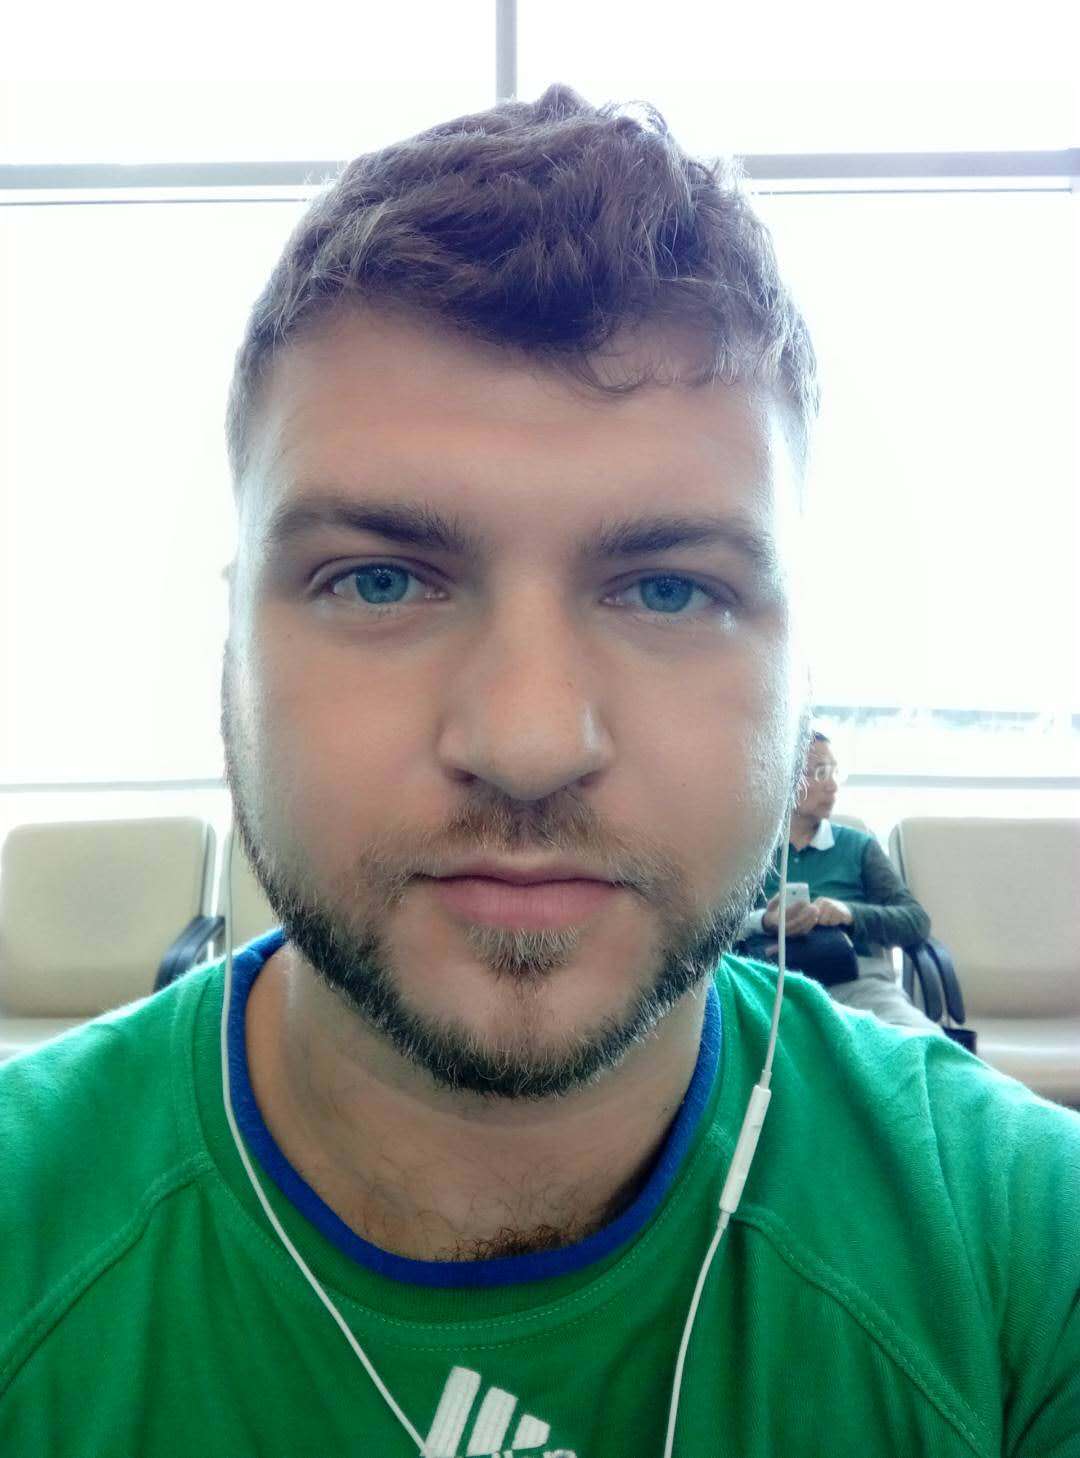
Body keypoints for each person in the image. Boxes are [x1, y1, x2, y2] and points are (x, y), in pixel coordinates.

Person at [1, 85, 1078, 1458]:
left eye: (671, 590)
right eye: (380, 579)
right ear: (231, 646)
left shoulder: (1024, 1262)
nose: (526, 743)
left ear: (802, 669)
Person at [738, 731, 945, 1035]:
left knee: (921, 1044)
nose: (833, 785)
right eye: (821, 772)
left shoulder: (858, 847)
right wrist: (765, 922)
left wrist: (849, 914)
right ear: (784, 776)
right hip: (770, 984)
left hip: (857, 984)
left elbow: (915, 921)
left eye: (835, 772)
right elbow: (713, 929)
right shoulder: (750, 849)